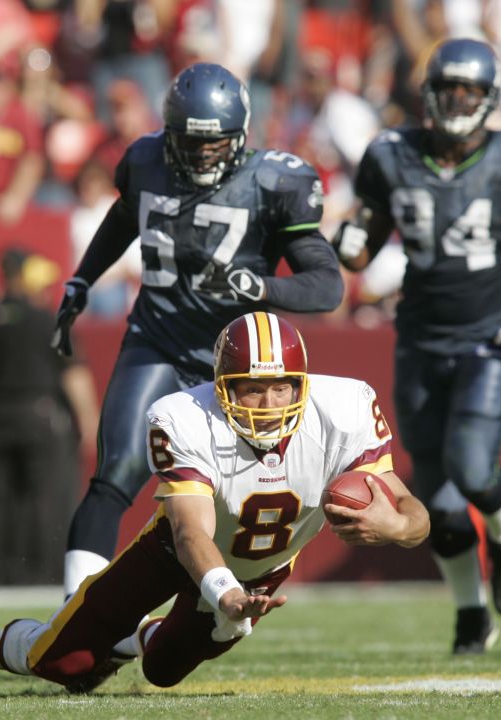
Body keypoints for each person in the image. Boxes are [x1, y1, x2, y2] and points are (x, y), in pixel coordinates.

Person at [0, 312, 429, 694]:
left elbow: (414, 514)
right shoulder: (182, 415)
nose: (266, 403)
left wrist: (395, 528)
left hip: (261, 569)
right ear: (221, 386)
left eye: (280, 388)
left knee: (162, 671)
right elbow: (191, 532)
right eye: (250, 390)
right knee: (61, 664)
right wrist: (225, 593)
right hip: (175, 551)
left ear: (301, 384)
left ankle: (131, 638)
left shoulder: (347, 407)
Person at [331, 38, 501, 654]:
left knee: (474, 469)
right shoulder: (391, 154)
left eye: (469, 90)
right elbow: (363, 246)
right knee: (438, 500)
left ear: (489, 98)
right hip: (420, 338)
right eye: (447, 88)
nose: (457, 99)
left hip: (491, 336)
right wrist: (348, 242)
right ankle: (471, 613)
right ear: (428, 93)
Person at [50, 63, 345, 598]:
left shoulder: (276, 181)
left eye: (215, 143)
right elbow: (124, 217)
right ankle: (77, 609)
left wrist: (259, 287)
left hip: (236, 366)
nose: (203, 153)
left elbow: (327, 286)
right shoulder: (144, 160)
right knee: (116, 470)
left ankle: (211, 599)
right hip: (157, 338)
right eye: (189, 141)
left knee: (229, 498)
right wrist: (82, 278)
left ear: (241, 135)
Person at [0, 249, 99, 585]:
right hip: (41, 415)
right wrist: (89, 418)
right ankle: (44, 576)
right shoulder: (49, 320)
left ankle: (1, 576)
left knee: (3, 501)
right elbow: (73, 373)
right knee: (49, 498)